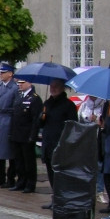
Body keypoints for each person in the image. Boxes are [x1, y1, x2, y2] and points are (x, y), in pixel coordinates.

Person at [38, 78, 78, 209]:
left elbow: (73, 126)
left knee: (60, 174)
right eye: (51, 86)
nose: (52, 88)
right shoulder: (47, 103)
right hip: (48, 144)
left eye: (56, 86)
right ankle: (55, 198)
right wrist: (41, 117)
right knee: (51, 173)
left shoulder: (68, 105)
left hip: (61, 145)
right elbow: (41, 124)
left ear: (62, 88)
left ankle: (62, 200)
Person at [8, 77, 42, 194]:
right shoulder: (19, 96)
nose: (19, 84)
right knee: (19, 161)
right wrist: (11, 133)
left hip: (27, 135)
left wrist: (33, 136)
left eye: (22, 83)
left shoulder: (35, 98)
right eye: (19, 82)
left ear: (29, 83)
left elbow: (35, 120)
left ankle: (30, 183)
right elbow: (14, 116)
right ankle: (21, 182)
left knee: (29, 162)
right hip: (17, 134)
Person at [0, 64, 18, 188]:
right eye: (0, 72)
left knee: (10, 151)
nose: (1, 74)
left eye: (3, 72)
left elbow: (15, 105)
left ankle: (10, 178)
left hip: (9, 119)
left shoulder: (15, 88)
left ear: (10, 73)